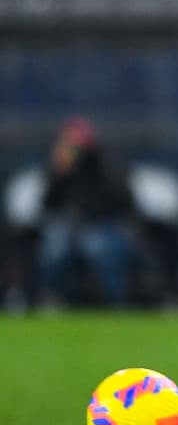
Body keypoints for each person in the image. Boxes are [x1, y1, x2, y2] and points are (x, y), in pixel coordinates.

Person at [36, 115, 140, 305]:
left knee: (99, 249)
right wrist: (58, 173)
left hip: (105, 225)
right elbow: (46, 205)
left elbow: (125, 201)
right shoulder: (62, 169)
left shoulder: (107, 165)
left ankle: (114, 301)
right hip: (70, 226)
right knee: (55, 250)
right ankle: (52, 299)